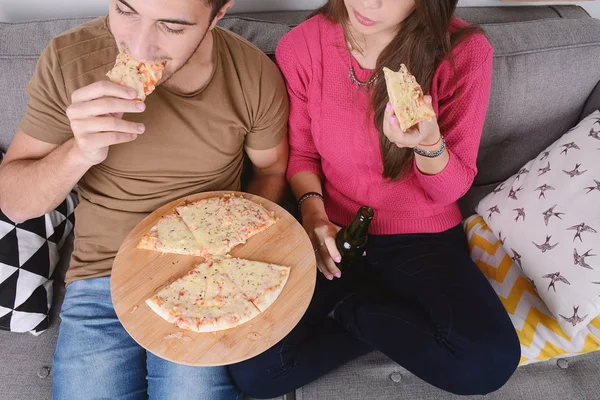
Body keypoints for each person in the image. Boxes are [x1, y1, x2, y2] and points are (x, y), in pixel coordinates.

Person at [229, 0, 521, 398]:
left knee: (487, 365)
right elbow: (301, 154)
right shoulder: (302, 46)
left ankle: (357, 309)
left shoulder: (463, 51)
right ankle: (382, 308)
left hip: (423, 235)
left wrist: (430, 144)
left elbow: (451, 189)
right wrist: (313, 216)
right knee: (254, 372)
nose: (368, 3)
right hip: (335, 229)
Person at [0, 0, 289, 398]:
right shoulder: (70, 59)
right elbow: (16, 204)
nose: (137, 46)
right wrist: (79, 151)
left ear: (218, 14)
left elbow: (271, 172)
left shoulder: (253, 75)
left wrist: (229, 254)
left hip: (207, 273)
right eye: (126, 10)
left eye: (171, 27)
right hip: (101, 277)